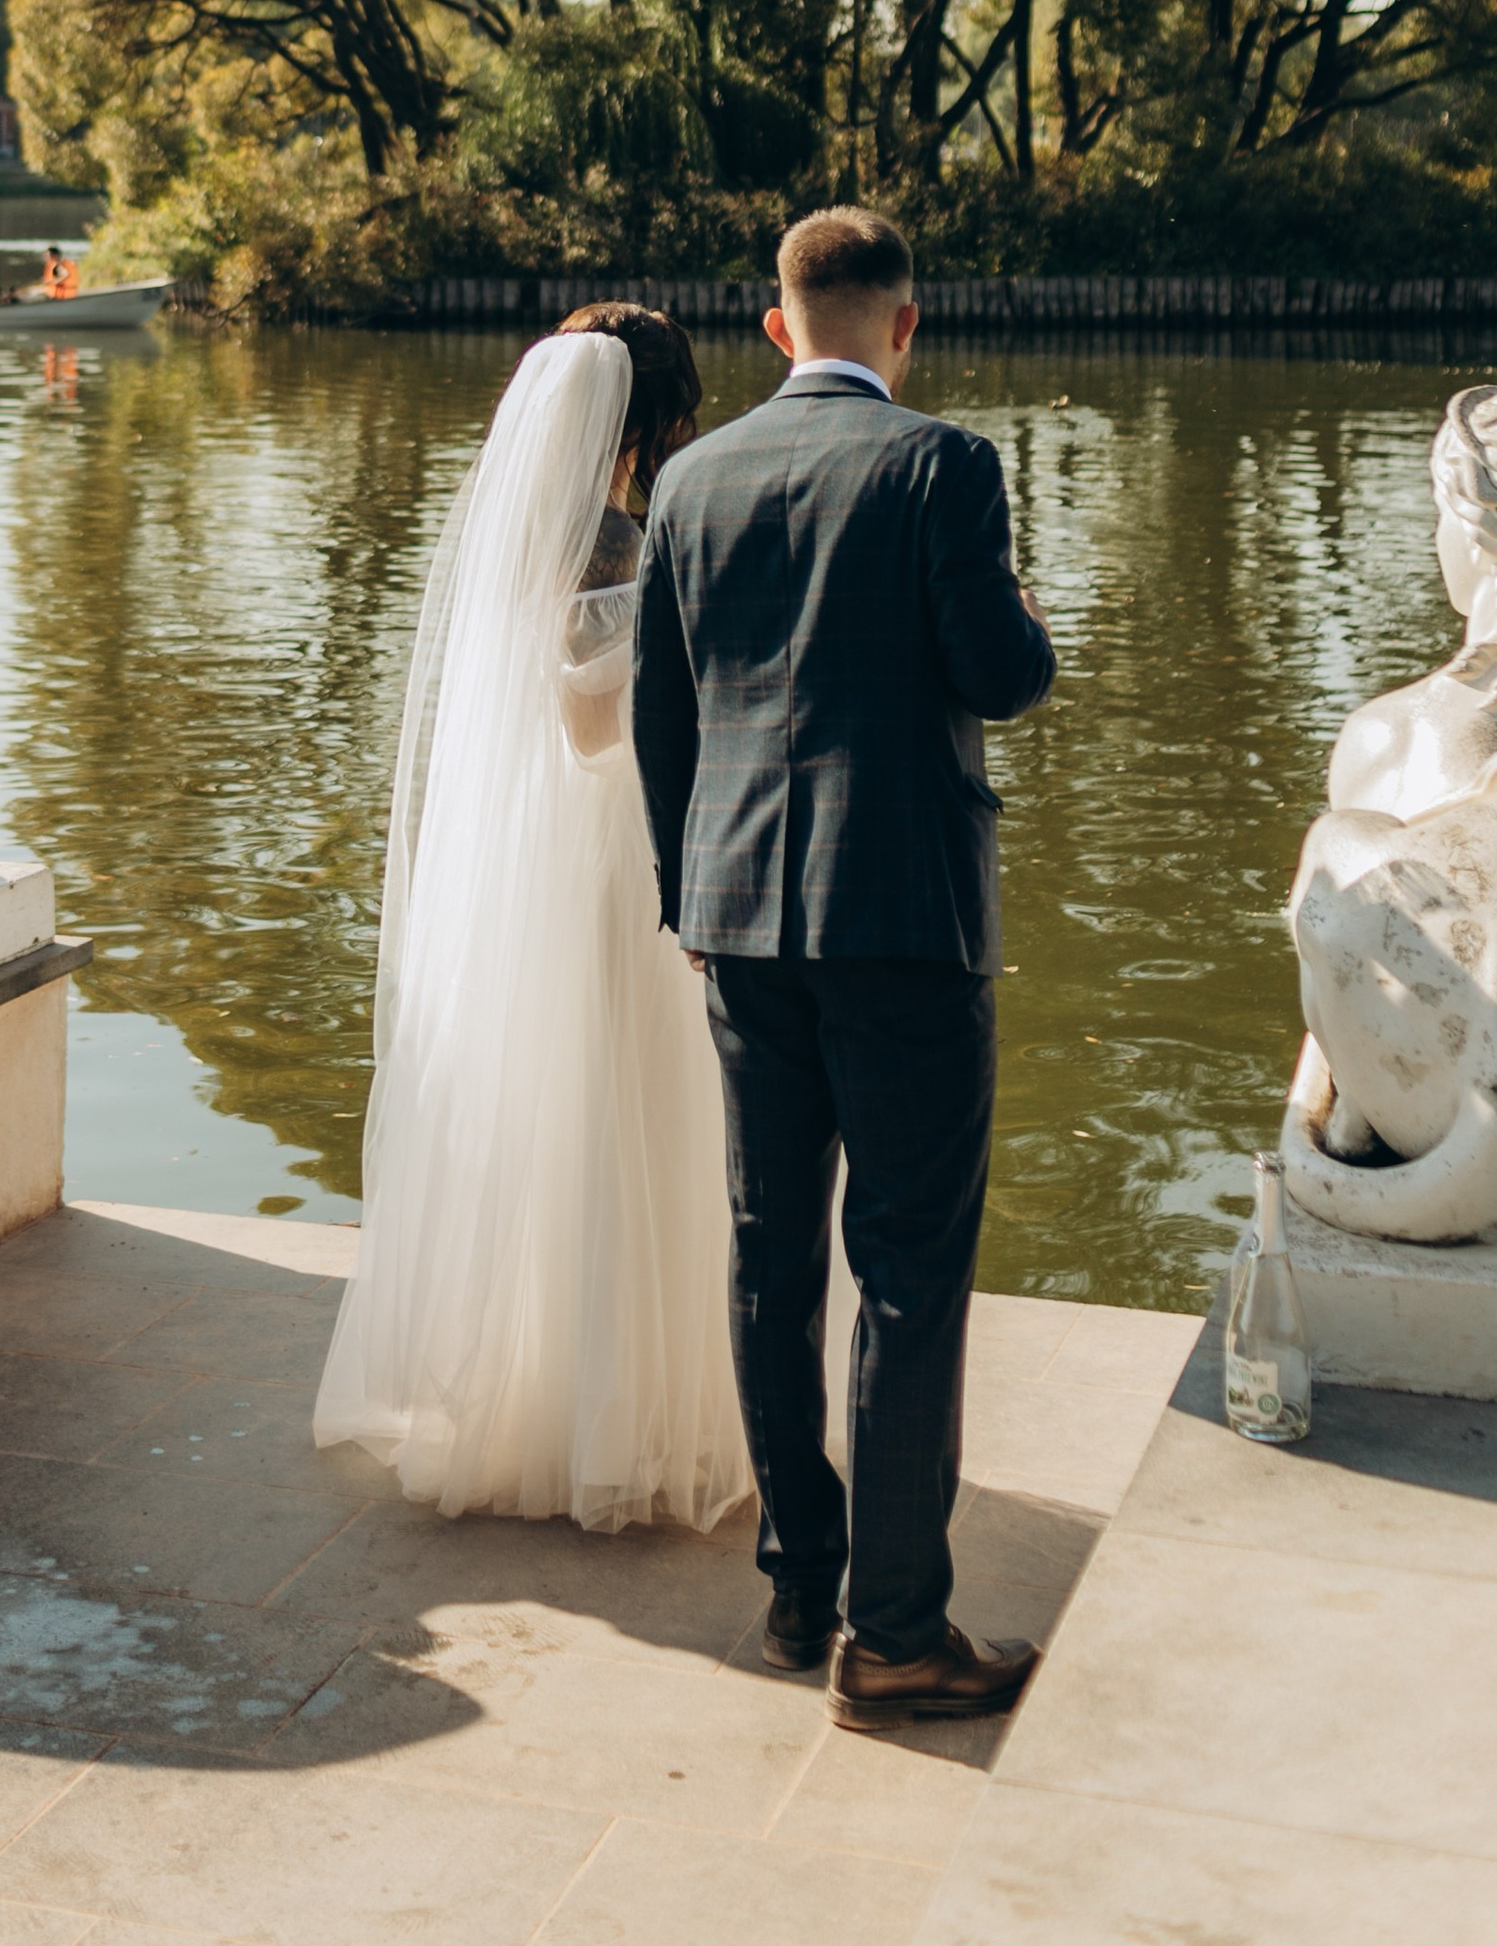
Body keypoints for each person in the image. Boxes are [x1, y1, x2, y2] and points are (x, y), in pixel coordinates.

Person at [634, 206, 1057, 1731]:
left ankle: (800, 1588)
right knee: (907, 1267)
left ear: (778, 326)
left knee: (771, 1258)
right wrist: (1027, 620)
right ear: (906, 324)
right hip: (906, 920)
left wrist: (689, 893)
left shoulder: (691, 479)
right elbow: (998, 674)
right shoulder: (944, 466)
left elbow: (662, 716)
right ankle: (895, 1634)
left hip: (740, 916)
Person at [314, 306, 750, 1532]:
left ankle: (544, 1398)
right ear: (654, 424)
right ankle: (613, 1420)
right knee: (623, 1116)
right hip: (610, 855)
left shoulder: (529, 534)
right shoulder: (612, 542)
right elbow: (591, 727)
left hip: (540, 852)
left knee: (558, 1116)